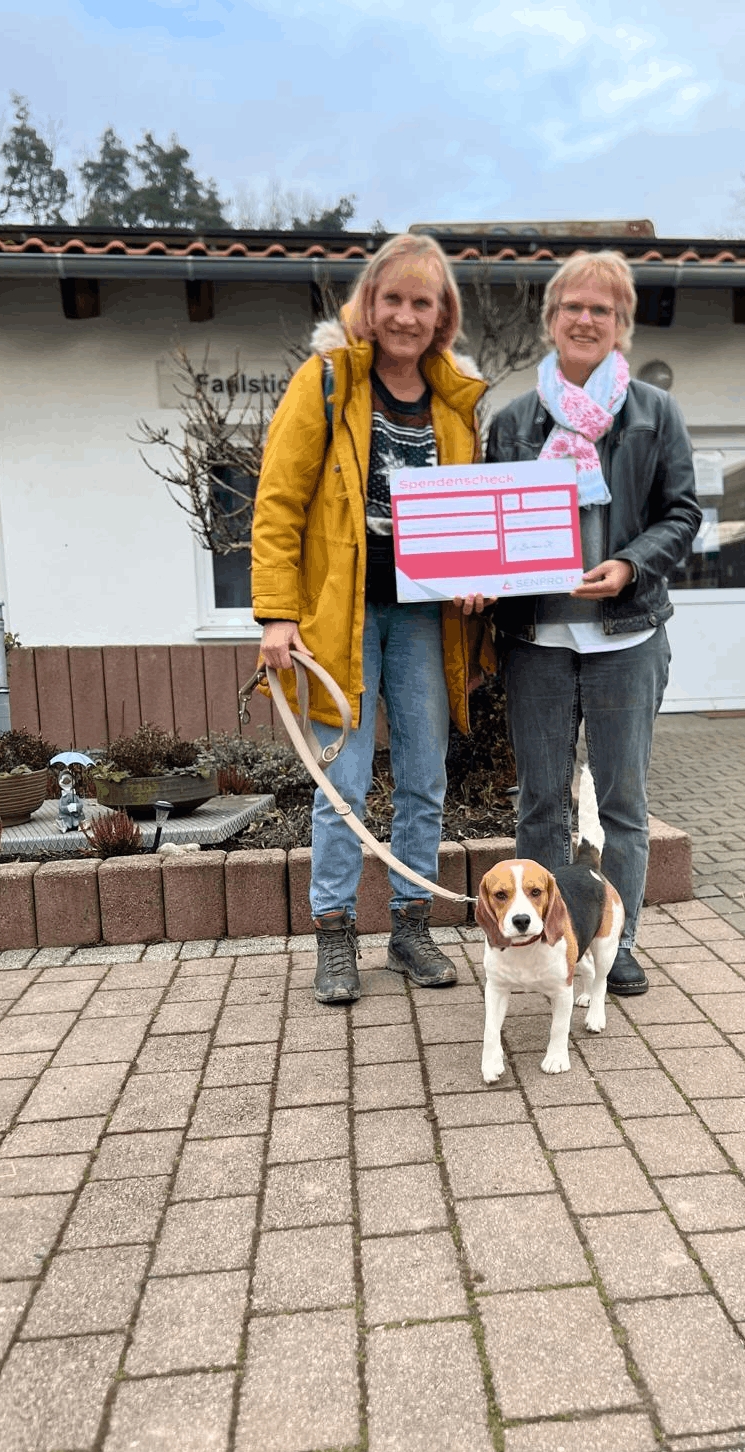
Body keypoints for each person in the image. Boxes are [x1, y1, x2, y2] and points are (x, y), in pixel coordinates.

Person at [251, 233, 488, 1004]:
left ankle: (411, 929)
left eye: (424, 302)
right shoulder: (326, 382)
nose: (406, 315)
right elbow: (280, 501)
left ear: (442, 314)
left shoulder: (457, 404)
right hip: (336, 619)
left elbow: (472, 521)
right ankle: (335, 935)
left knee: (425, 775)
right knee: (342, 782)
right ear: (369, 305)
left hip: (424, 620)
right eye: (394, 299)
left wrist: (477, 581)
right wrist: (277, 614)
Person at [485, 250, 701, 997]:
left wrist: (632, 564)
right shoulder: (514, 420)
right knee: (540, 802)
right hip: (536, 641)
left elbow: (683, 512)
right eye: (572, 307)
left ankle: (621, 940)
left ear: (621, 325)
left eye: (600, 309)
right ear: (551, 321)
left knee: (622, 805)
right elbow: (490, 523)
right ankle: (546, 944)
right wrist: (475, 583)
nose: (584, 318)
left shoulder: (654, 411)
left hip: (627, 638)